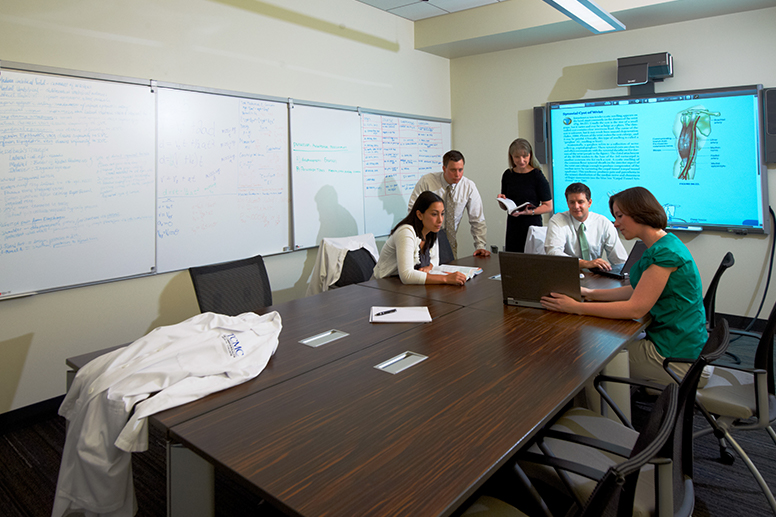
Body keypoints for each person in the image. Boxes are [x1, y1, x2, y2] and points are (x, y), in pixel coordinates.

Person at [540, 186, 709, 386]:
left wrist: (576, 307)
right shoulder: (665, 244)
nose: (616, 223)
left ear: (639, 213)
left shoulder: (664, 255)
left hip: (678, 357)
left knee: (591, 358)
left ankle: (607, 416)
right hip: (683, 343)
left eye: (620, 216)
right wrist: (589, 293)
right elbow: (637, 289)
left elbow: (635, 308)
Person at [374, 191, 467, 285]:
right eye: (434, 214)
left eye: (442, 214)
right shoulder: (406, 232)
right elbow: (407, 275)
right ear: (419, 215)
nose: (440, 220)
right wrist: (446, 279)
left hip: (403, 287)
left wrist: (429, 267)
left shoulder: (431, 230)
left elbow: (435, 260)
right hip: (382, 287)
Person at [408, 150, 489, 259]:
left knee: (450, 270)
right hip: (426, 238)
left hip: (449, 240)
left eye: (460, 170)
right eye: (453, 170)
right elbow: (413, 210)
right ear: (444, 169)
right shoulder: (427, 182)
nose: (457, 174)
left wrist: (480, 245)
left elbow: (477, 219)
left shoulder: (468, 186)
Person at [545, 182, 628, 270]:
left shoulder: (603, 222)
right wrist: (584, 263)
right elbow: (553, 253)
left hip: (596, 276)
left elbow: (620, 260)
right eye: (572, 202)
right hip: (566, 273)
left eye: (580, 202)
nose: (576, 206)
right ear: (567, 203)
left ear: (589, 203)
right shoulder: (557, 221)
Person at [498, 138, 553, 252]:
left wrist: (531, 212)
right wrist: (502, 201)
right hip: (513, 225)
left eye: (525, 156)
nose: (521, 160)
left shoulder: (537, 176)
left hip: (532, 225)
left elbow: (548, 206)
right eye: (517, 157)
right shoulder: (508, 175)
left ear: (530, 155)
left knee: (531, 261)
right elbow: (505, 206)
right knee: (514, 260)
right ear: (511, 157)